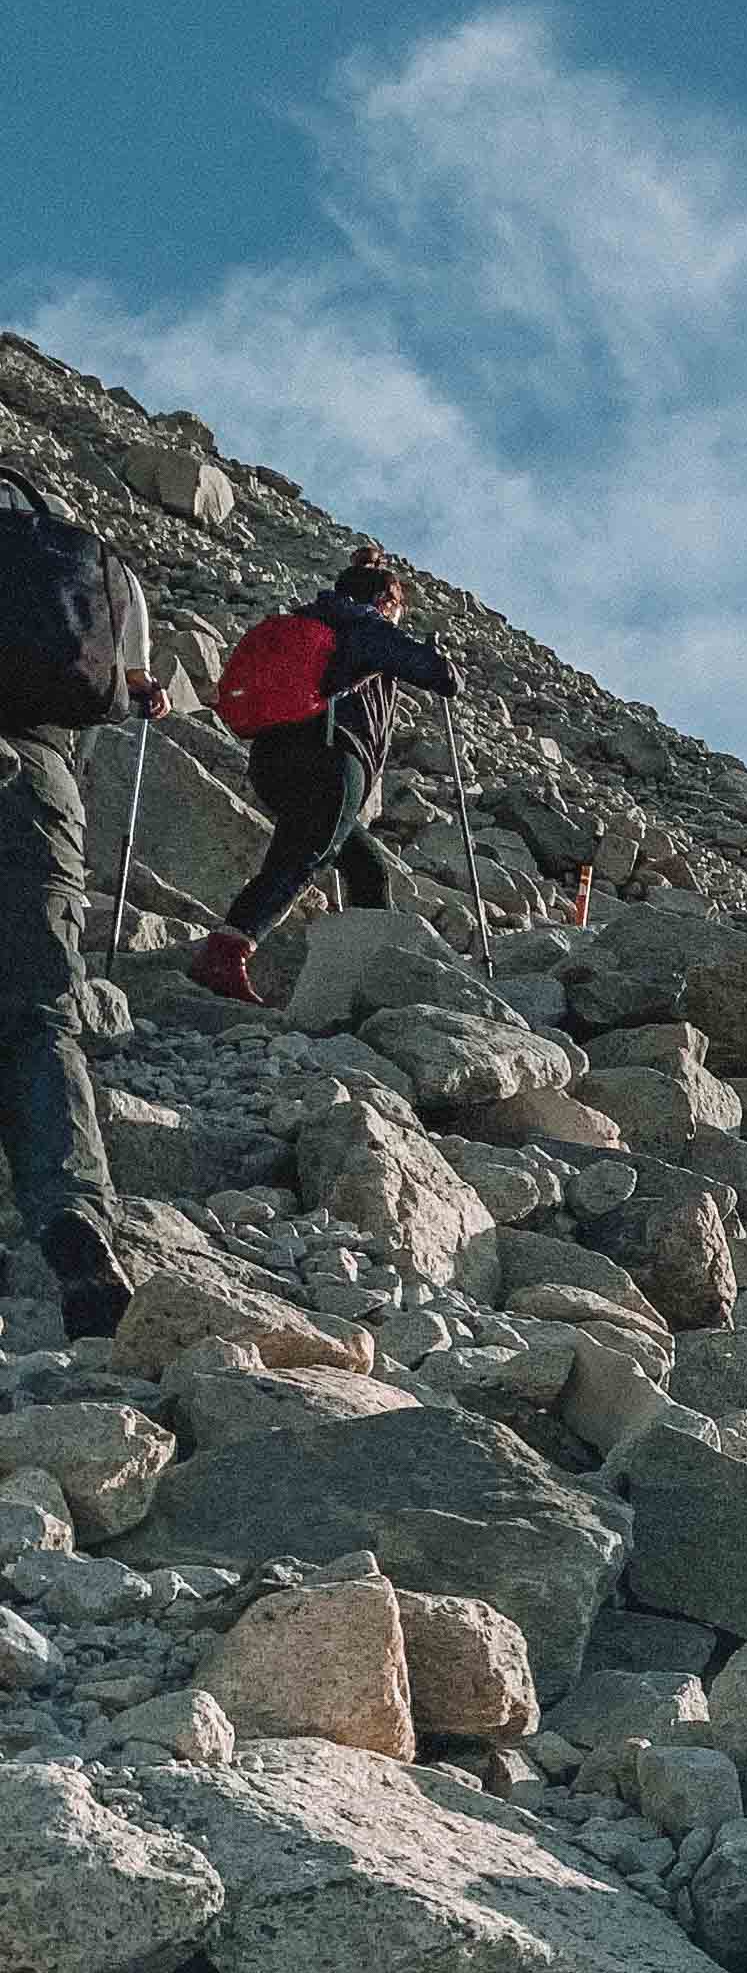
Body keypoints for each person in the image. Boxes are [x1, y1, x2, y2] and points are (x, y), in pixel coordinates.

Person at [0, 475, 157, 1338]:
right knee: (37, 1020)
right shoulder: (88, 571)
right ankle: (75, 1226)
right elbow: (126, 690)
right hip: (36, 786)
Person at [199, 549, 461, 1003]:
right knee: (301, 858)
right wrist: (430, 653)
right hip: (332, 759)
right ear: (385, 602)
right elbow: (444, 678)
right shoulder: (365, 627)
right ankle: (228, 950)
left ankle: (373, 974)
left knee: (366, 866)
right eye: (398, 609)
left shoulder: (309, 620)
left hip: (271, 759)